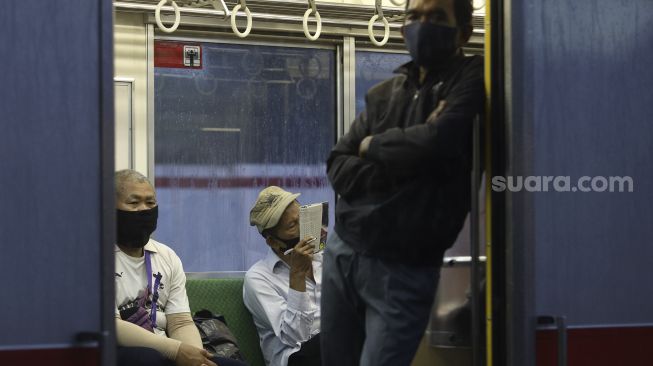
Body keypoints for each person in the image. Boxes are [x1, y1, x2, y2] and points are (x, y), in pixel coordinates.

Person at [320, 0, 484, 365]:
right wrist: (408, 158)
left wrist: (373, 145)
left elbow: (438, 141)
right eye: (414, 16)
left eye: (437, 17)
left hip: (404, 266)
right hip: (344, 250)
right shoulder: (384, 94)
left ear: (465, 32)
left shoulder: (473, 77)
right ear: (401, 27)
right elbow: (338, 166)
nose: (423, 24)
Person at [114, 169, 247, 366]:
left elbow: (180, 322)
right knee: (147, 359)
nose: (144, 209)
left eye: (150, 203)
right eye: (134, 203)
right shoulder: (94, 259)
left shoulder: (166, 256)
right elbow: (112, 326)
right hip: (121, 351)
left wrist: (196, 358)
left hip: (167, 350)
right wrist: (176, 350)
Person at [244, 186, 322, 366]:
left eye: (301, 218)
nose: (303, 228)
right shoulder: (258, 278)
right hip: (297, 357)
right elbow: (296, 337)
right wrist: (297, 275)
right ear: (273, 241)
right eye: (292, 225)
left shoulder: (326, 259)